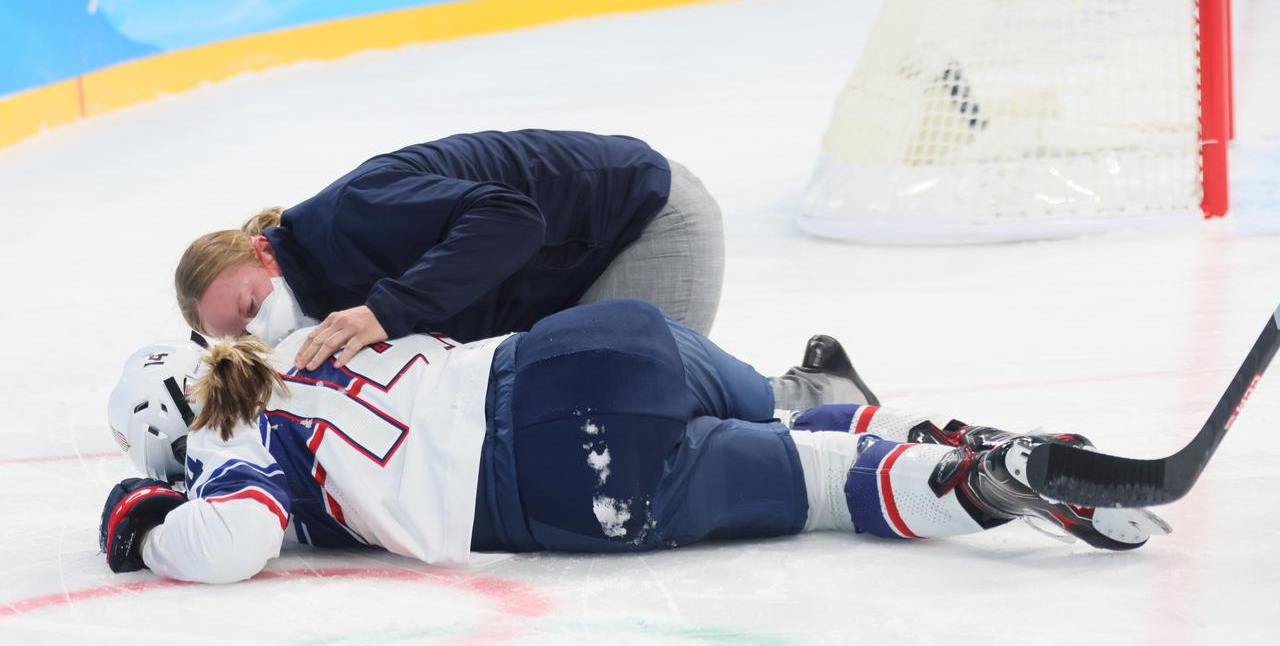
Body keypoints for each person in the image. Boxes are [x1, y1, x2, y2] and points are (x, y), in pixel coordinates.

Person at [101, 301, 1168, 584]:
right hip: (594, 344)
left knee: (825, 486)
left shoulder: (228, 433)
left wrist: (146, 528)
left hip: (559, 469)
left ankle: (975, 482)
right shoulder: (299, 348)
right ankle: (936, 434)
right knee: (789, 415)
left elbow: (232, 539)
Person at [174, 129, 727, 373]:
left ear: (264, 253)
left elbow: (513, 220)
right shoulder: (321, 294)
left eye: (250, 307)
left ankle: (797, 396)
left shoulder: (350, 214)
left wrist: (386, 311)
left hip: (644, 217)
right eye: (241, 338)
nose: (259, 332)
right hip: (572, 271)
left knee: (641, 397)